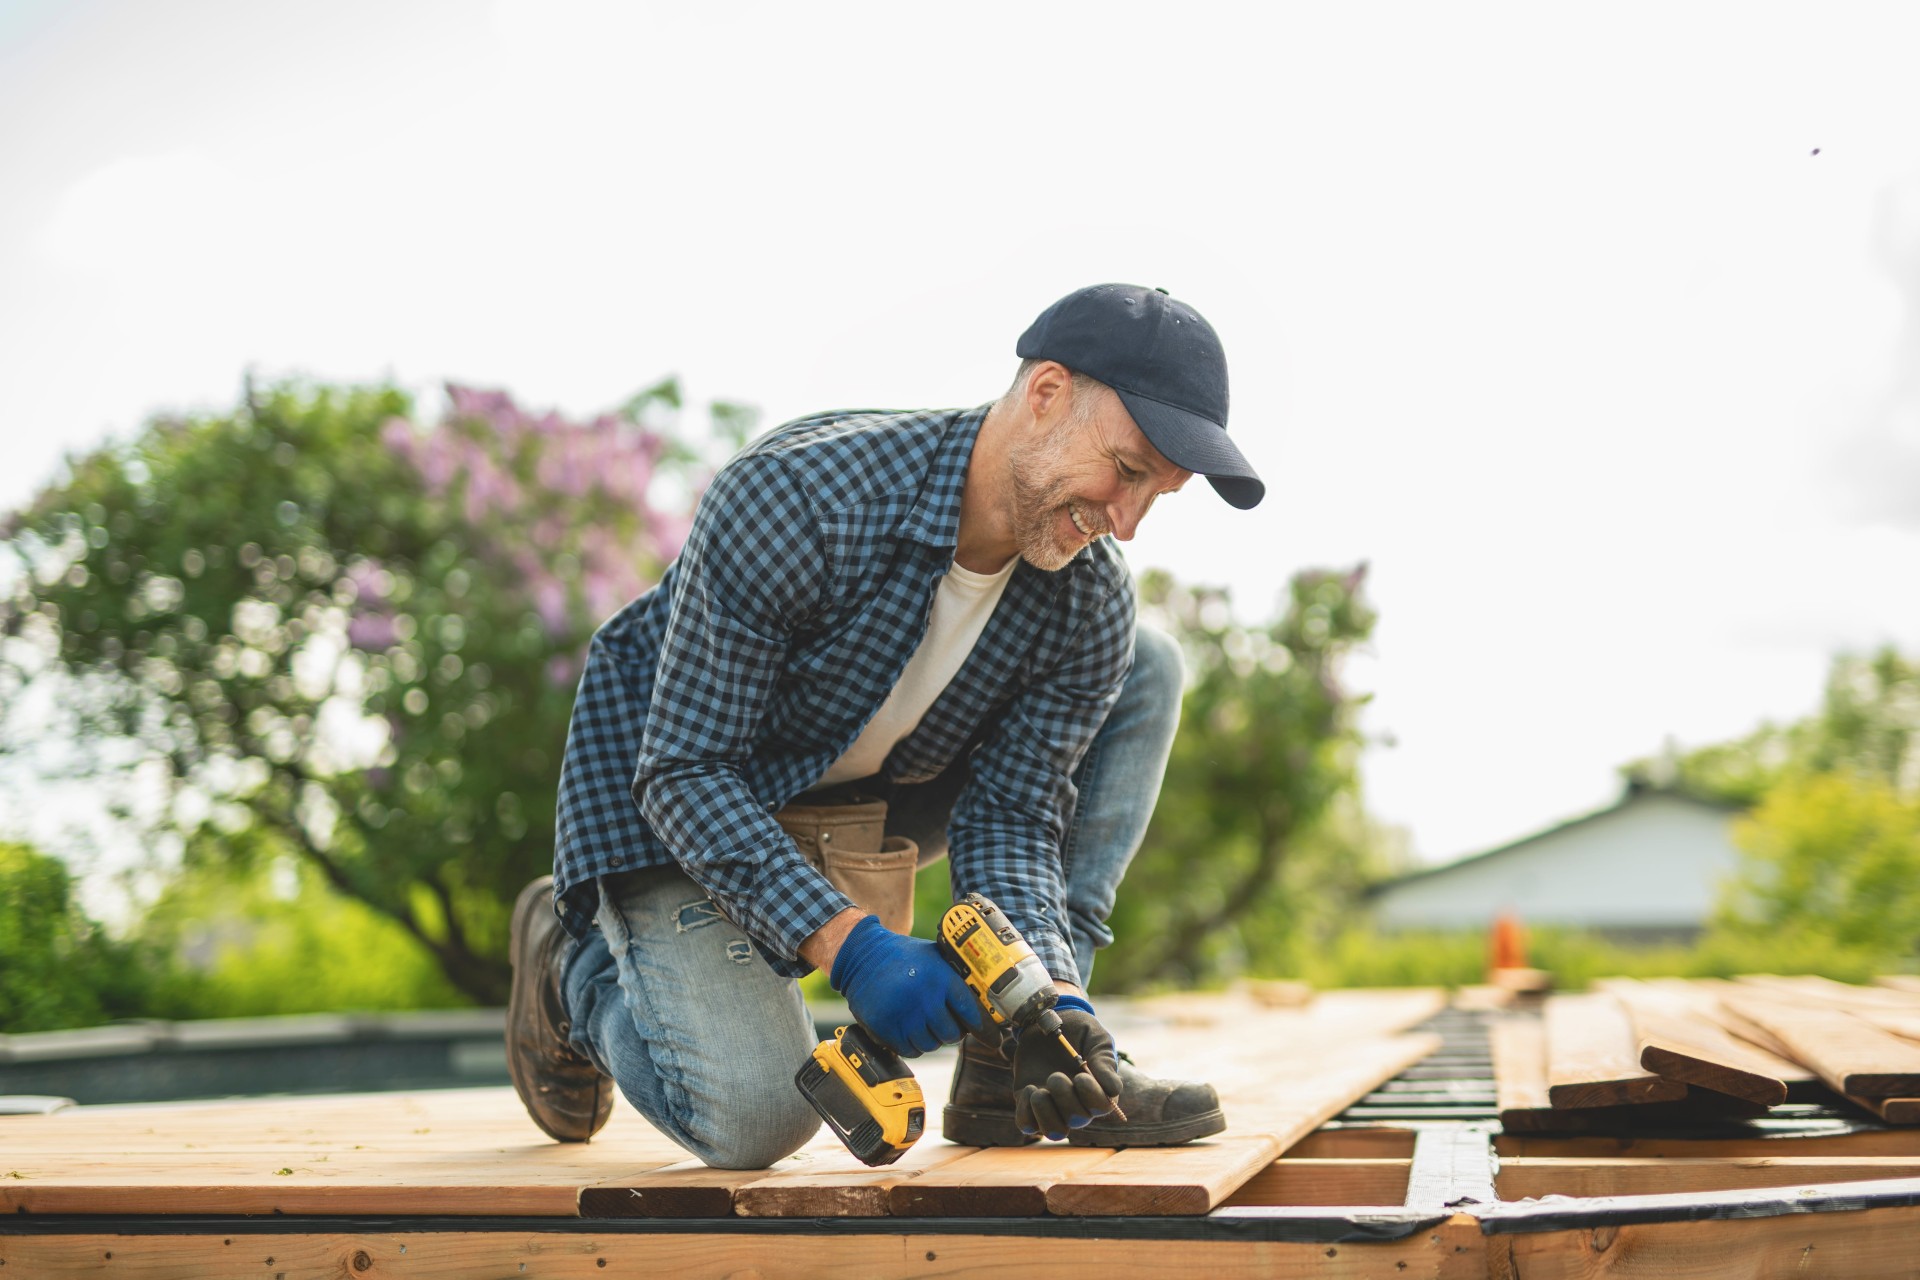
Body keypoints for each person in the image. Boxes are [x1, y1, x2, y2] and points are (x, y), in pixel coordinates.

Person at [507, 283, 1265, 1168]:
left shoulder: (1086, 594)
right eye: (1127, 472)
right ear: (1047, 394)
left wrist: (1045, 994)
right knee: (756, 1120)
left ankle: (1015, 1057)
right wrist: (853, 948)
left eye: (1158, 496)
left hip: (877, 794)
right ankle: (573, 969)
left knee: (1148, 660)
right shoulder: (799, 499)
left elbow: (1014, 818)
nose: (1128, 524)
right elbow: (687, 768)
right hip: (685, 796)